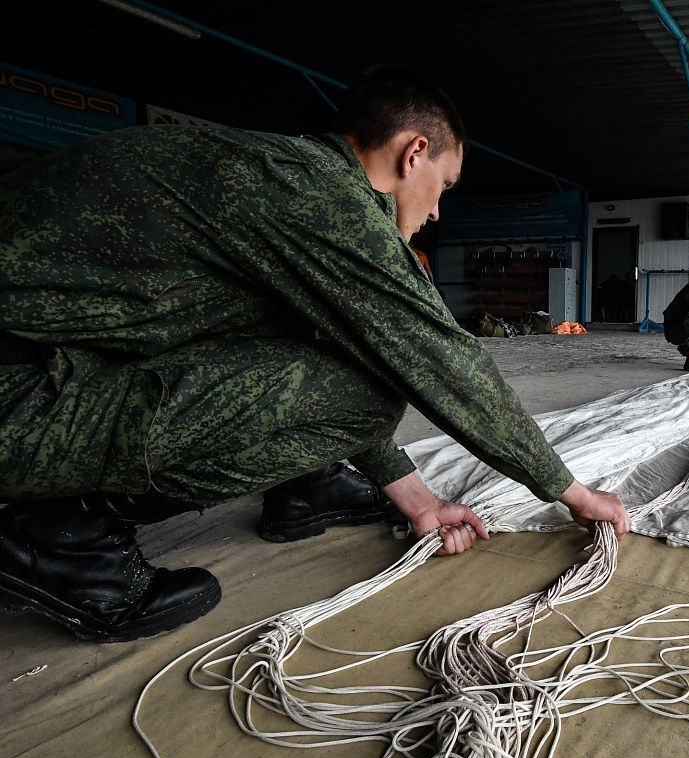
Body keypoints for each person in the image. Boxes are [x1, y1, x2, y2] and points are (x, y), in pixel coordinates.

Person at [0, 64, 629, 643]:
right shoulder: (327, 198)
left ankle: (303, 480)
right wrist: (574, 494)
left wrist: (420, 503)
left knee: (333, 361)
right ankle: (65, 537)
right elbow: (441, 360)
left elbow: (322, 344)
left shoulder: (280, 175)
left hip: (40, 374)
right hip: (19, 395)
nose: (437, 211)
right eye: (444, 185)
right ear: (414, 153)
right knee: (376, 384)